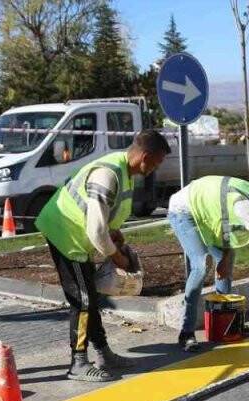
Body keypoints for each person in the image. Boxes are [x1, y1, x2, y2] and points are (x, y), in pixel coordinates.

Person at [35, 129, 171, 382]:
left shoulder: (125, 173)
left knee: (90, 298)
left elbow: (104, 216)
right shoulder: (107, 174)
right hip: (66, 236)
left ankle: (104, 354)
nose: (157, 167)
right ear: (145, 156)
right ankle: (78, 363)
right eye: (158, 161)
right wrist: (118, 258)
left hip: (79, 236)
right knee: (83, 300)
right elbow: (96, 230)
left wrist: (115, 234)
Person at [167, 175, 249, 351]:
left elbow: (225, 214)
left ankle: (225, 323)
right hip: (183, 210)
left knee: (225, 263)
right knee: (201, 265)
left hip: (206, 211)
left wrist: (225, 257)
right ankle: (186, 333)